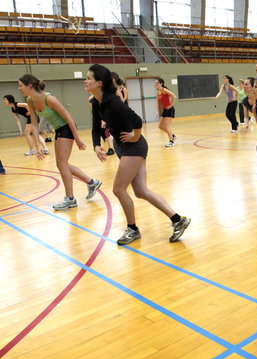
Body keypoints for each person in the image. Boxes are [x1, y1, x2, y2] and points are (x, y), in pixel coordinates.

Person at [86, 64, 190, 245]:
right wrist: (96, 145)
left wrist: (136, 135)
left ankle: (132, 229)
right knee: (141, 191)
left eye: (88, 78)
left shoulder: (112, 101)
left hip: (134, 147)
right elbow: (96, 127)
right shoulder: (97, 103)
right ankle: (177, 220)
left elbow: (136, 119)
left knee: (118, 189)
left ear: (99, 83)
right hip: (127, 147)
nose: (85, 81)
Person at [18, 74, 102, 211]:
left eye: (21, 85)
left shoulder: (48, 98)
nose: (19, 88)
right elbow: (34, 124)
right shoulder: (31, 100)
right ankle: (91, 183)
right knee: (62, 164)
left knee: (61, 163)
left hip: (67, 128)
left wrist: (78, 139)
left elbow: (68, 117)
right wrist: (38, 145)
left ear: (30, 86)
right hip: (59, 129)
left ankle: (70, 199)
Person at [155, 78, 177, 147]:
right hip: (164, 110)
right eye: (155, 83)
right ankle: (172, 135)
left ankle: (171, 141)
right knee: (160, 126)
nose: (155, 84)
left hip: (169, 110)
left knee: (167, 126)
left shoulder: (164, 90)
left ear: (161, 83)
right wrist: (156, 111)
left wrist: (171, 105)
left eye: (157, 82)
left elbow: (174, 96)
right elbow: (157, 102)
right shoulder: (158, 92)